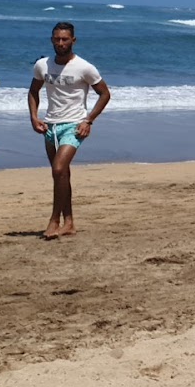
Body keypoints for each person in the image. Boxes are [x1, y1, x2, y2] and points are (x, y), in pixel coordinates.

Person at [28, 22, 110, 238]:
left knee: (58, 169)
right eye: (57, 39)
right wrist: (34, 118)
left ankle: (54, 221)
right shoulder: (42, 65)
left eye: (65, 39)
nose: (61, 43)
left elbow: (105, 94)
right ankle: (70, 223)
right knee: (61, 174)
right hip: (50, 125)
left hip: (74, 125)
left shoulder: (84, 67)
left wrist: (88, 120)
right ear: (51, 40)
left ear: (73, 40)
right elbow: (33, 91)